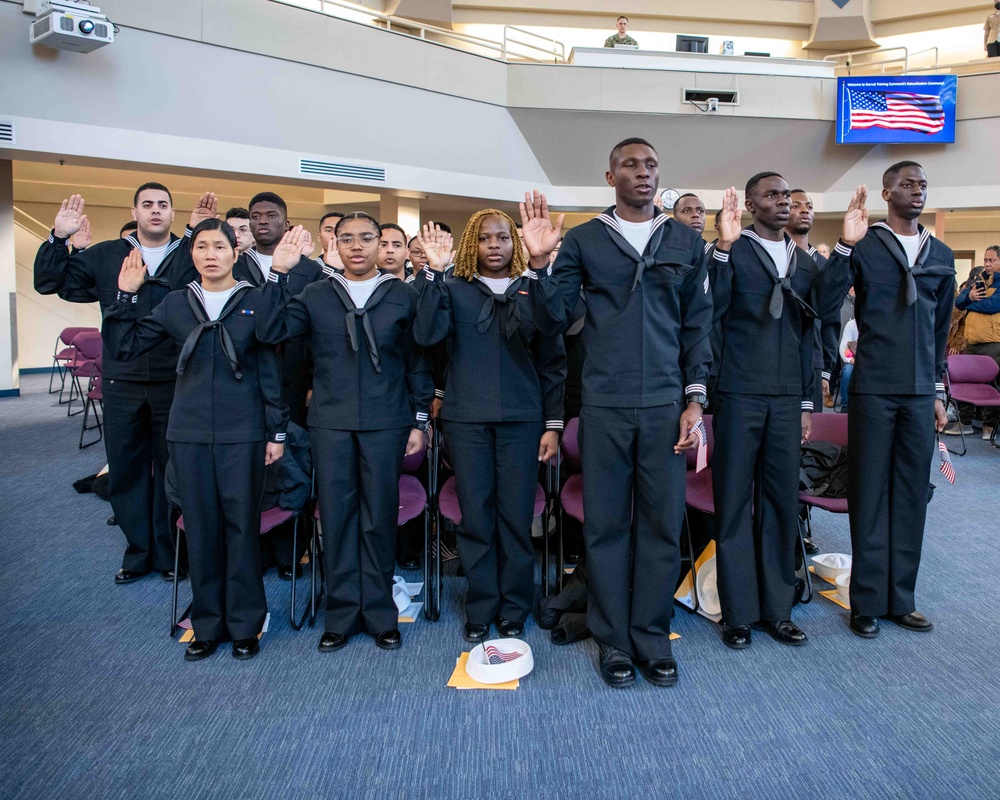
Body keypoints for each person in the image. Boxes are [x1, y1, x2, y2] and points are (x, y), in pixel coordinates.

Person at [529, 138, 712, 688]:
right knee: (606, 527)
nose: (643, 173)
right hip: (604, 406)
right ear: (610, 175)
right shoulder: (585, 239)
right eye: (631, 165)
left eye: (652, 165)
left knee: (660, 526)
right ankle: (612, 640)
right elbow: (553, 317)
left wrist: (694, 401)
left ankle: (652, 637)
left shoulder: (684, 239)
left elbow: (697, 326)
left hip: (664, 406)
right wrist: (540, 263)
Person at [104, 219, 287, 661]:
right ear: (193, 255)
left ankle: (245, 624)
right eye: (202, 246)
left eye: (219, 246)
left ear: (234, 253)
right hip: (187, 432)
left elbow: (270, 367)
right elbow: (124, 345)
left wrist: (276, 431)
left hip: (242, 432)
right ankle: (206, 624)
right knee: (201, 528)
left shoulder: (254, 301)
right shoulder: (175, 303)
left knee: (242, 529)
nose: (210, 254)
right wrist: (126, 294)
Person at [259, 216, 433, 653]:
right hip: (331, 422)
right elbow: (268, 329)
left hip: (387, 421)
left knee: (378, 518)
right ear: (334, 244)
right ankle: (339, 615)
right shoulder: (316, 293)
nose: (357, 246)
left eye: (367, 238)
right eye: (347, 239)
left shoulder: (402, 295)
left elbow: (417, 360)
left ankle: (379, 614)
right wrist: (277, 273)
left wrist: (419, 419)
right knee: (335, 519)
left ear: (380, 244)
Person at [33, 185, 215, 584]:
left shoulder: (190, 256)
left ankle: (170, 553)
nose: (155, 211)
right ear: (134, 211)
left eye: (163, 205)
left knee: (174, 471)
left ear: (172, 213)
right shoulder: (107, 254)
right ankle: (138, 553)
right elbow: (50, 283)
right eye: (147, 205)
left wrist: (201, 232)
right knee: (128, 469)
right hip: (122, 379)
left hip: (176, 381)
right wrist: (58, 239)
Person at [710, 175, 859, 650]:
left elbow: (819, 315)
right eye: (772, 195)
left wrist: (844, 250)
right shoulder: (735, 249)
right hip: (737, 394)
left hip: (785, 401)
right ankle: (736, 612)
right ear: (751, 204)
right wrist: (721, 248)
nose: (784, 202)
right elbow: (708, 307)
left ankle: (777, 608)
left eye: (789, 196)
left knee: (780, 502)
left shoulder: (802, 260)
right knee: (733, 503)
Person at [413, 211, 565, 642]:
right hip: (467, 420)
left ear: (515, 243)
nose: (493, 245)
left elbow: (554, 357)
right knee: (476, 518)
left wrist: (553, 425)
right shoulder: (453, 287)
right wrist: (435, 273)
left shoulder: (531, 286)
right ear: (469, 246)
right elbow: (426, 336)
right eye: (483, 239)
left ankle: (515, 606)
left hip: (523, 420)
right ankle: (481, 606)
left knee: (516, 518)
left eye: (502, 237)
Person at [825, 161, 955, 639]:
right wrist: (844, 247)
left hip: (920, 392)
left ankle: (901, 599)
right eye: (906, 184)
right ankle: (866, 602)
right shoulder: (867, 245)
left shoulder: (939, 253)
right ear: (886, 192)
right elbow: (825, 303)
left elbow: (940, 332)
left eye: (922, 184)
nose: (916, 191)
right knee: (870, 492)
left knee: (910, 497)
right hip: (874, 388)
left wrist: (939, 390)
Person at [786, 189, 841, 412]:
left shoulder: (824, 264)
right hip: (777, 355)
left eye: (809, 206)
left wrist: (826, 368)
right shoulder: (774, 257)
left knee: (809, 435)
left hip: (814, 360)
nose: (804, 210)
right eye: (796, 205)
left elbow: (831, 320)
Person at [954, 244, 1000, 439]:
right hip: (971, 342)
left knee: (993, 384)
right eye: (985, 260)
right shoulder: (979, 279)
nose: (987, 264)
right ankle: (964, 423)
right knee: (965, 381)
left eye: (992, 260)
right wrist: (970, 296)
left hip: (993, 343)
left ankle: (990, 426)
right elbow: (959, 301)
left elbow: (992, 305)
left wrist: (971, 301)